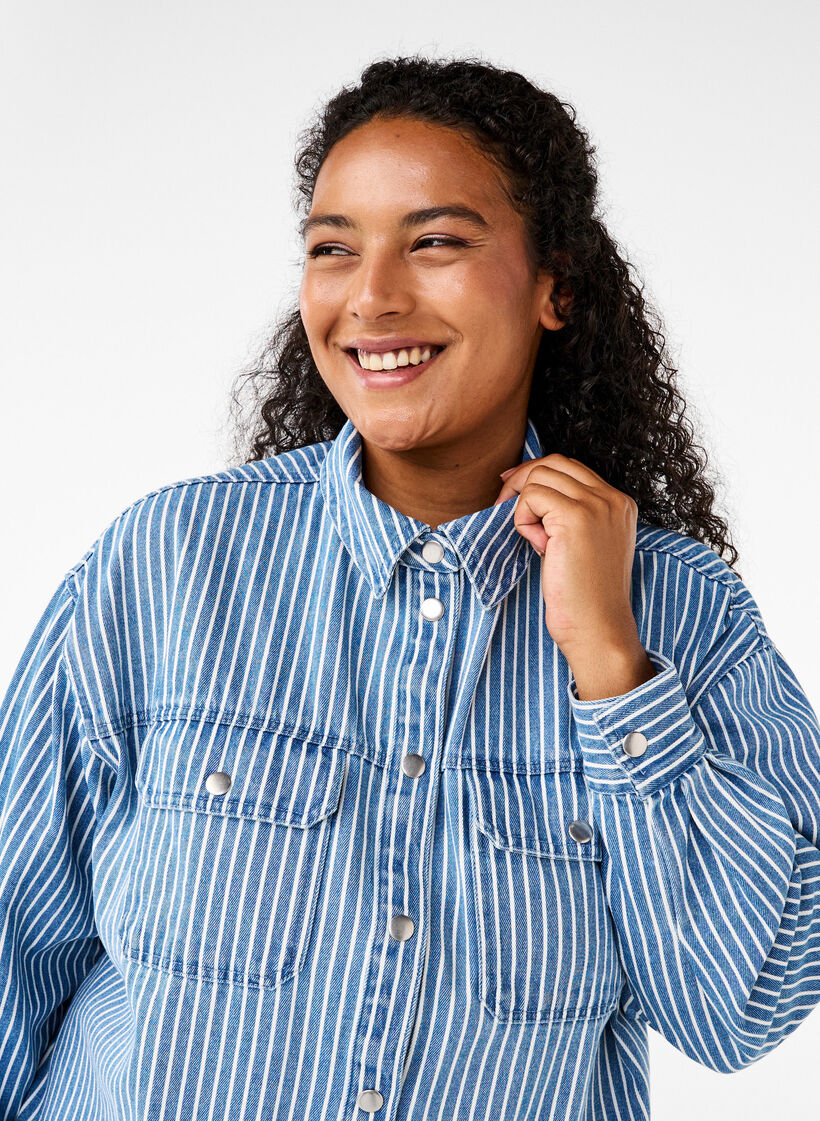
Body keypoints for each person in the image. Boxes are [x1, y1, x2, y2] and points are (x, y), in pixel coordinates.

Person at [1, 53, 819, 1121]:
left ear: (555, 285)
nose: (372, 297)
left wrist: (615, 676)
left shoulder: (685, 614)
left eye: (434, 242)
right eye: (333, 249)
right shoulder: (164, 565)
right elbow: (16, 941)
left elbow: (739, 1007)